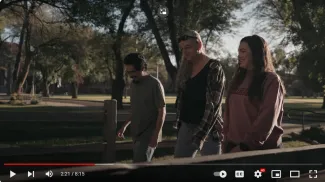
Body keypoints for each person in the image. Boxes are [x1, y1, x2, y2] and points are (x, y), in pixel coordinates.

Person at [222, 35, 286, 153]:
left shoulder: (271, 80)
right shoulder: (238, 79)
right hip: (233, 148)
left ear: (256, 53)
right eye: (238, 51)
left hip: (259, 151)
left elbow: (267, 117)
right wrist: (226, 141)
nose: (239, 55)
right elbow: (229, 114)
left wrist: (246, 146)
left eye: (243, 51)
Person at [174, 30, 226, 158]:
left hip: (209, 128)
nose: (185, 52)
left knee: (211, 170)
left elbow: (213, 105)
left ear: (199, 44)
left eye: (188, 47)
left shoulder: (214, 67)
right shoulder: (186, 67)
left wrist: (200, 136)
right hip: (186, 125)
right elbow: (181, 99)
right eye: (182, 49)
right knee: (177, 170)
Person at [117, 53, 166, 162]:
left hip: (149, 135)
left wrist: (155, 135)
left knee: (139, 165)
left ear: (143, 68)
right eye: (128, 72)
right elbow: (135, 109)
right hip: (136, 134)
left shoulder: (155, 84)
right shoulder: (133, 84)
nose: (130, 75)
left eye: (133, 72)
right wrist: (124, 126)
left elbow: (162, 112)